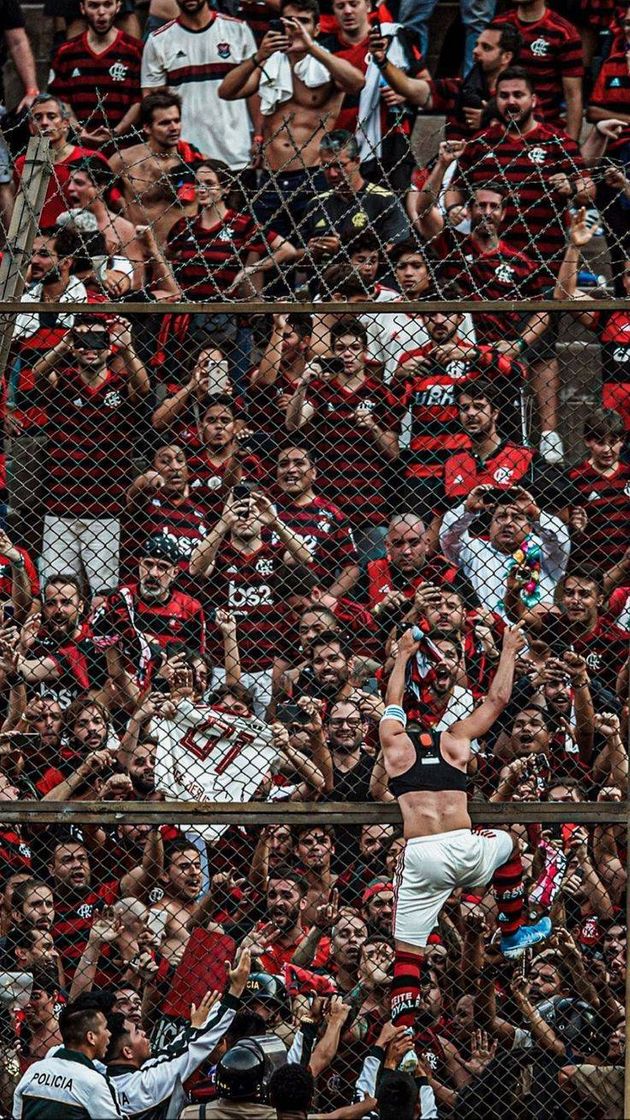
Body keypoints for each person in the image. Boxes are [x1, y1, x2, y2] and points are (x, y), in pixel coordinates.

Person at [380, 623, 551, 1030]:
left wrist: (403, 654)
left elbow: (391, 703)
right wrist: (508, 649)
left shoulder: (396, 745)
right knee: (508, 845)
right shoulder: (457, 741)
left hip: (423, 855)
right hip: (467, 849)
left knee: (407, 955)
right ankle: (511, 929)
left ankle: (402, 1041)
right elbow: (498, 699)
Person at [446, 66, 595, 464]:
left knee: (542, 348)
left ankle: (547, 432)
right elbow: (456, 187)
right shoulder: (482, 142)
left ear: (533, 99)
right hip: (488, 266)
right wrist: (456, 206)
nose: (511, 102)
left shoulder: (555, 141)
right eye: (504, 95)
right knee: (484, 349)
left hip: (542, 265)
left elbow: (588, 186)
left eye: (518, 95)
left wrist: (572, 186)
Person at [218, 0, 365, 239]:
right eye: (290, 22)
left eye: (304, 22)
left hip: (313, 174)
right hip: (270, 177)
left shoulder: (327, 65)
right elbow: (226, 91)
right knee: (264, 253)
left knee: (314, 252)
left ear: (317, 29)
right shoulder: (270, 63)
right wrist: (259, 56)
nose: (296, 28)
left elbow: (357, 82)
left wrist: (312, 47)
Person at [33, 313, 150, 593]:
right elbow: (37, 376)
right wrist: (62, 346)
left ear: (109, 346)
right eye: (83, 339)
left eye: (98, 339)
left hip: (105, 511)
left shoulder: (121, 385)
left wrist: (127, 347)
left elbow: (143, 390)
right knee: (56, 591)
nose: (90, 346)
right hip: (60, 508)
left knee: (103, 594)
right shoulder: (64, 381)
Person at [141, 0, 257, 169]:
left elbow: (254, 91)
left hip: (236, 154)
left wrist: (259, 136)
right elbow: (152, 102)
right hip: (186, 157)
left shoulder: (238, 30)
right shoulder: (159, 40)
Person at [367, 21, 520, 140]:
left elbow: (528, 140)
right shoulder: (453, 88)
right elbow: (408, 87)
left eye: (486, 47)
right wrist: (382, 61)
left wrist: (489, 121)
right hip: (454, 174)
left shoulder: (519, 98)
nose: (475, 51)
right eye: (476, 45)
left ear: (506, 57)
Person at [440, 487, 570, 616]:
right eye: (501, 517)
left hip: (535, 634)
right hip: (486, 632)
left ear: (530, 527)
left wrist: (535, 513)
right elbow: (448, 537)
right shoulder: (474, 550)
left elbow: (560, 539)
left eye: (517, 517)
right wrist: (468, 510)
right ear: (490, 526)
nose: (508, 523)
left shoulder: (543, 552)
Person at [297, 130, 410, 275]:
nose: (332, 173)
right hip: (324, 289)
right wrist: (311, 253)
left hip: (370, 289)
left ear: (357, 161)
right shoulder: (316, 204)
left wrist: (345, 248)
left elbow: (398, 251)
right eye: (326, 166)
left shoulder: (384, 200)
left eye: (340, 165)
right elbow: (298, 263)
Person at [108, 91, 204, 245]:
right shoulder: (123, 160)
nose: (174, 128)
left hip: (183, 253)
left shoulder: (199, 162)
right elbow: (97, 199)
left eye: (177, 121)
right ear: (147, 128)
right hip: (138, 250)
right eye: (165, 123)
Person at [49, 0, 143, 145]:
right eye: (94, 5)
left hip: (124, 149)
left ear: (118, 6)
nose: (101, 12)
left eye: (107, 4)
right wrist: (80, 132)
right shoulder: (66, 52)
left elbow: (140, 100)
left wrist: (116, 132)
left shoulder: (135, 50)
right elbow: (60, 100)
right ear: (82, 8)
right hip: (79, 148)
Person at [12, 94, 110, 230]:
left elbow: (113, 204)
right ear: (31, 127)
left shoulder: (90, 159)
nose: (45, 123)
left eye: (52, 117)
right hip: (37, 243)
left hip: (80, 239)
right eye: (37, 118)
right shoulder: (23, 164)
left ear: (65, 123)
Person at [272, 443, 359, 591]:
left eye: (299, 463)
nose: (291, 470)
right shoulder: (266, 511)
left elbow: (352, 567)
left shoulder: (332, 514)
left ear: (314, 473)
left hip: (314, 602)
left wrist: (328, 598)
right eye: (283, 464)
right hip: (269, 601)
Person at [13, 1002, 123, 1118]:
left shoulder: (34, 1070)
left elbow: (17, 1115)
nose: (109, 1033)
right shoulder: (95, 1082)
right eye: (105, 1028)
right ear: (91, 1037)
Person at [493, 0, 583, 138]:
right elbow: (486, 79)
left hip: (545, 130)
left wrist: (571, 145)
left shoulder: (564, 32)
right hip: (500, 128)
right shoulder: (498, 26)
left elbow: (573, 95)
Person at [64, 159, 146, 290]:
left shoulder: (122, 228)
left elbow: (137, 280)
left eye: (78, 183)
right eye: (69, 183)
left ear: (101, 187)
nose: (70, 188)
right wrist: (92, 275)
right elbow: (52, 273)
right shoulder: (65, 225)